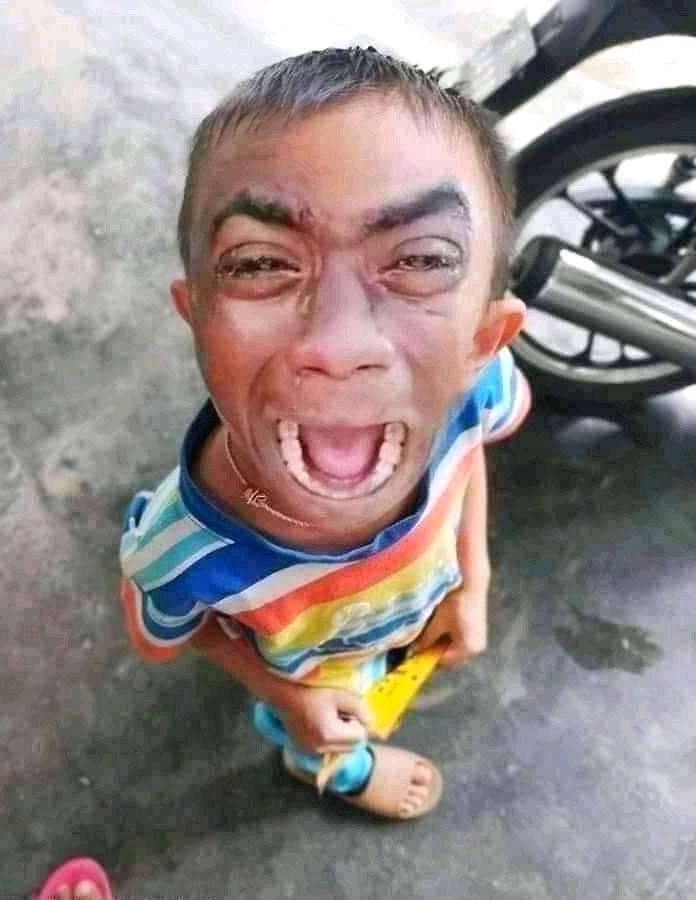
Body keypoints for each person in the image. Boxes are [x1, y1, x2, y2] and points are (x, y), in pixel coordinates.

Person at [118, 46, 531, 821]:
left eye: (419, 259)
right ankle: (330, 770)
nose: (338, 346)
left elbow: (469, 453)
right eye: (260, 263)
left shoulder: (473, 392)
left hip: (399, 621)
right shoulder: (178, 551)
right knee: (328, 729)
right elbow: (167, 636)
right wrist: (285, 696)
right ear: (196, 316)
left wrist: (470, 580)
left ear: (486, 338)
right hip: (307, 673)